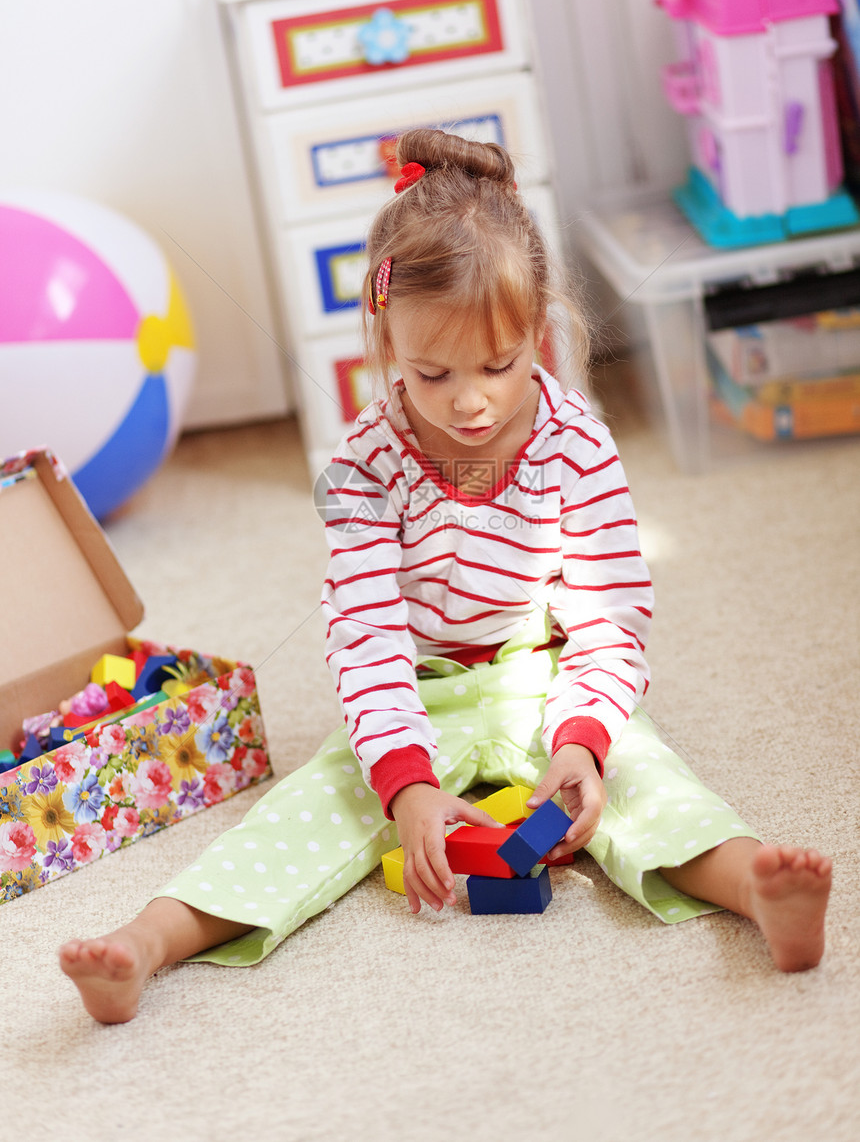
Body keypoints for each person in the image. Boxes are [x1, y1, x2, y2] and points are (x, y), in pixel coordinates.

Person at [59, 130, 831, 1023]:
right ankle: (145, 943)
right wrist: (406, 778)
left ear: (537, 330)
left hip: (544, 677)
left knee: (648, 783)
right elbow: (367, 631)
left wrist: (580, 739)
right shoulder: (365, 463)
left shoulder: (576, 443)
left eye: (500, 366)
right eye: (433, 373)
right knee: (297, 819)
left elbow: (610, 615)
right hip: (414, 692)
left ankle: (757, 890)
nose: (471, 401)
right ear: (386, 345)